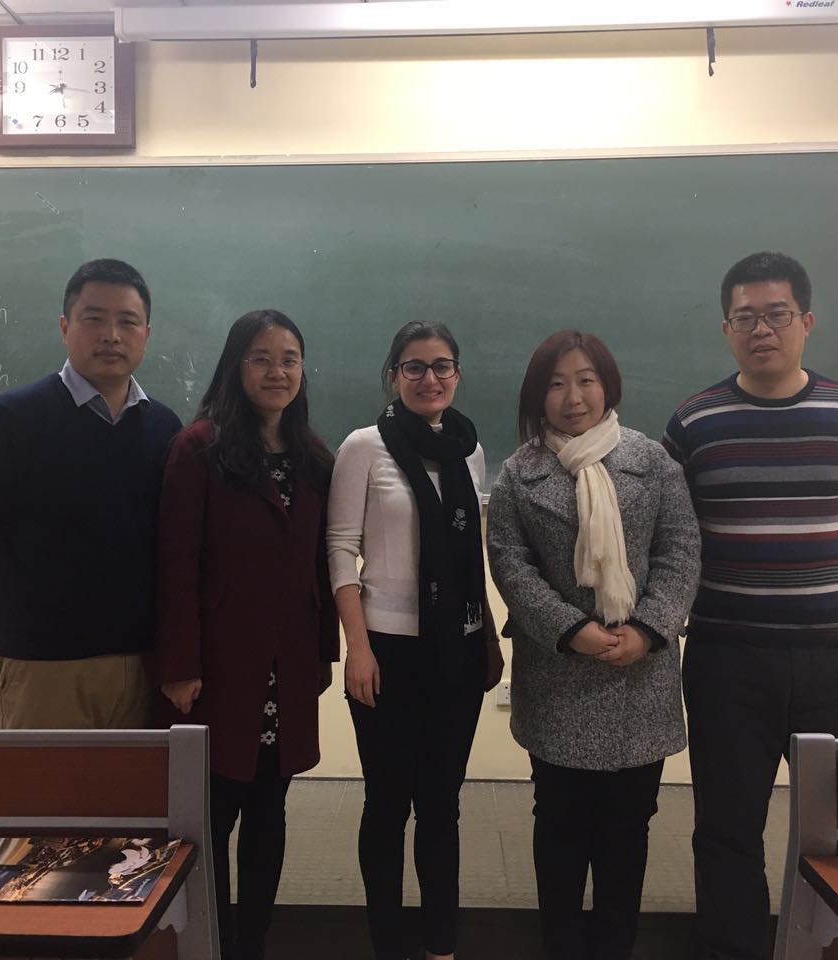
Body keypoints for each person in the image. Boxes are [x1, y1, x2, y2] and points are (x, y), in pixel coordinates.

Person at [663, 251, 838, 960]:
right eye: (746, 318)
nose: (762, 329)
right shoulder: (693, 423)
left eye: (777, 314)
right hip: (728, 657)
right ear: (725, 329)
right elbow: (675, 537)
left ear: (806, 321)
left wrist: (807, 576)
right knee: (727, 829)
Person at [486, 331, 700, 960]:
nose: (572, 397)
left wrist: (649, 628)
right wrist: (567, 627)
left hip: (640, 674)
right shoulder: (519, 472)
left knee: (627, 833)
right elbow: (509, 563)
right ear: (537, 395)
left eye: (585, 380)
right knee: (558, 827)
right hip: (558, 676)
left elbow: (680, 550)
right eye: (556, 384)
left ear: (608, 386)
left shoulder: (653, 462)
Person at [154, 309, 338, 960]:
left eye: (289, 358)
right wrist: (179, 665)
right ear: (236, 366)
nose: (277, 371)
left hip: (287, 669)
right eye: (261, 358)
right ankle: (210, 944)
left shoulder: (313, 456)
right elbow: (176, 564)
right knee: (212, 818)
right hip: (218, 668)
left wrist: (324, 654)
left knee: (269, 811)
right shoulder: (199, 448)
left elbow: (322, 564)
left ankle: (251, 943)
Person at [0, 258, 181, 730]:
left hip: (142, 666)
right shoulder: (7, 422)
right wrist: (28, 614)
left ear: (146, 334)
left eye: (127, 322)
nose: (111, 335)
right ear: (65, 327)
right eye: (94, 319)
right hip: (41, 667)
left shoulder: (165, 428)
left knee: (138, 783)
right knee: (40, 783)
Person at [327, 321, 503, 960]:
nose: (430, 378)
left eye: (442, 365)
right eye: (414, 367)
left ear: (457, 373)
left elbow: (467, 556)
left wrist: (486, 634)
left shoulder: (468, 451)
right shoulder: (364, 446)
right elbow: (340, 548)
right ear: (393, 375)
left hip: (455, 652)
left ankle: (439, 945)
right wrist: (358, 647)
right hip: (388, 653)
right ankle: (387, 942)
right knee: (386, 805)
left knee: (441, 806)